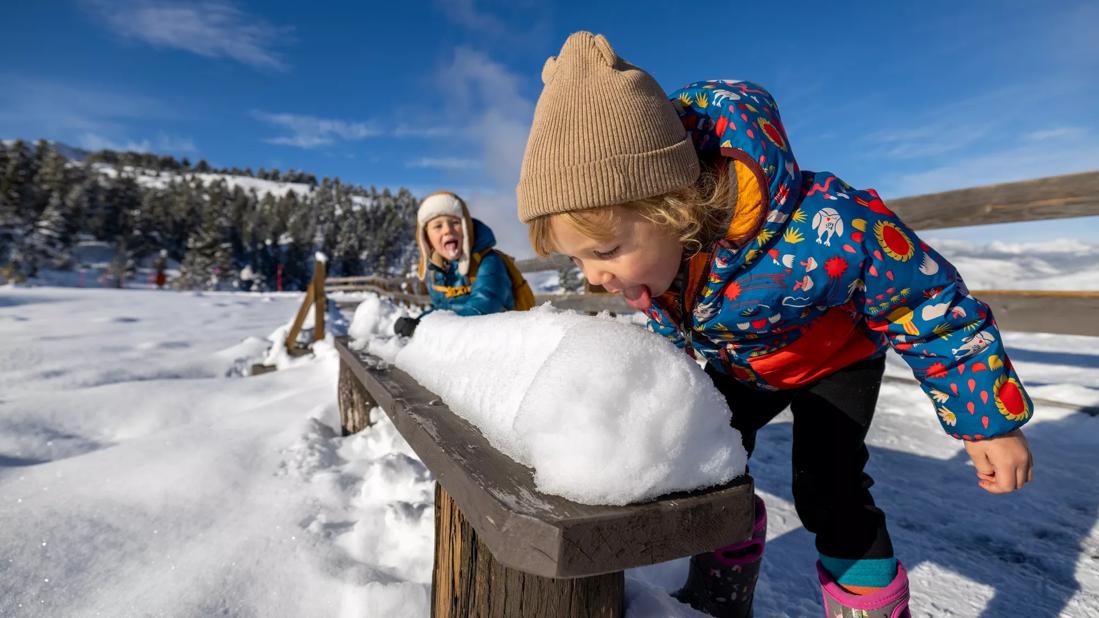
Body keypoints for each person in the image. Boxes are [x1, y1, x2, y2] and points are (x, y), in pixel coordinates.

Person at [516, 32, 1034, 618]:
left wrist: (986, 422)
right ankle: (718, 594)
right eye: (577, 259)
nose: (593, 276)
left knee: (828, 487)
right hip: (747, 365)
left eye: (604, 250)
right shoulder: (662, 264)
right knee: (707, 465)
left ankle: (869, 606)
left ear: (672, 205)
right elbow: (673, 343)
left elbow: (927, 304)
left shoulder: (825, 226)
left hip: (836, 362)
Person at [394, 191, 531, 337]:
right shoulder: (437, 271)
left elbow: (484, 307)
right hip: (466, 344)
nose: (447, 230)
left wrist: (426, 330)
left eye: (455, 223)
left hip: (504, 342)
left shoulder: (488, 262)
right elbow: (442, 310)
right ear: (427, 239)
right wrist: (417, 322)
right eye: (438, 226)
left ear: (467, 228)